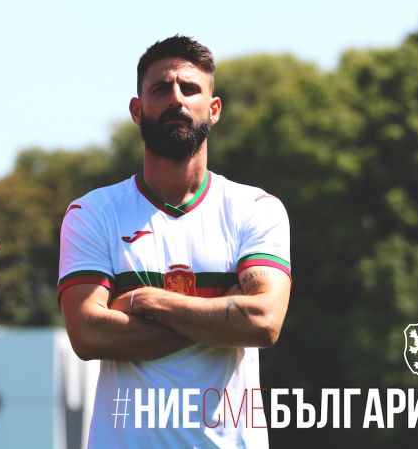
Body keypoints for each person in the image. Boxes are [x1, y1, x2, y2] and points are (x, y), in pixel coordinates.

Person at [58, 36, 291, 448]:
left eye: (190, 88)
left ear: (214, 109)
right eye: (161, 88)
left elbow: (263, 322)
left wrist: (148, 301)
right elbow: (89, 335)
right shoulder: (92, 213)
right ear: (137, 110)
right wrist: (223, 316)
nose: (176, 98)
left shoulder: (256, 208)